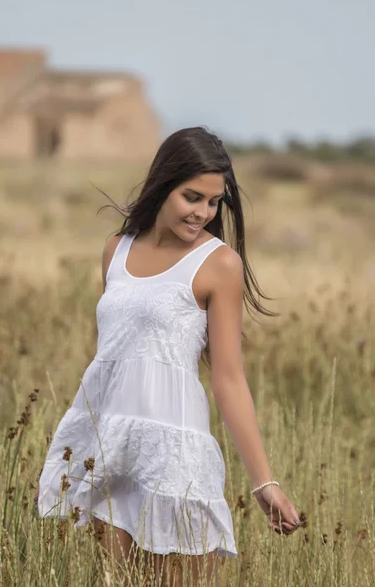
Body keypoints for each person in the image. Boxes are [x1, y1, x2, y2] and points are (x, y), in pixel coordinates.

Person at [37, 126, 300, 586]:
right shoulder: (115, 251)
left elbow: (229, 379)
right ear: (163, 184)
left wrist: (264, 482)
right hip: (111, 447)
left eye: (214, 202)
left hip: (172, 455)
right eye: (191, 197)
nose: (203, 213)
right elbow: (113, 353)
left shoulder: (218, 264)